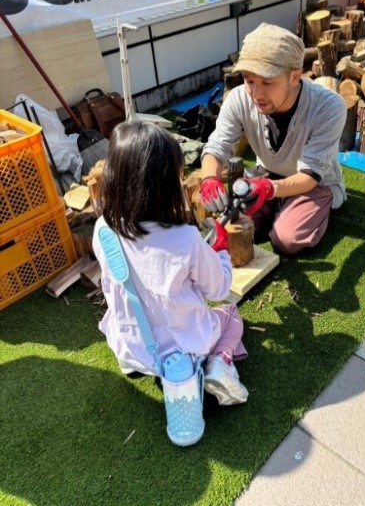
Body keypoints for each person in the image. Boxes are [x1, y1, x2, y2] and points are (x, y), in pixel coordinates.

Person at [92, 122, 248, 406]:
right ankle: (219, 363)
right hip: (182, 351)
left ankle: (133, 364)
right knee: (231, 315)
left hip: (130, 344)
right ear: (164, 187)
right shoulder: (186, 239)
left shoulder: (103, 228)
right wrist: (221, 249)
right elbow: (219, 289)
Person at [200, 22, 347, 255]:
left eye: (267, 82)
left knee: (287, 239)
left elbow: (310, 176)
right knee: (235, 225)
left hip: (314, 183)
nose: (256, 94)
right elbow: (217, 147)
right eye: (249, 80)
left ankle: (306, 208)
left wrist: (269, 189)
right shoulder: (238, 99)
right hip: (266, 175)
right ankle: (277, 208)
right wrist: (209, 179)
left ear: (294, 77)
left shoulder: (328, 107)